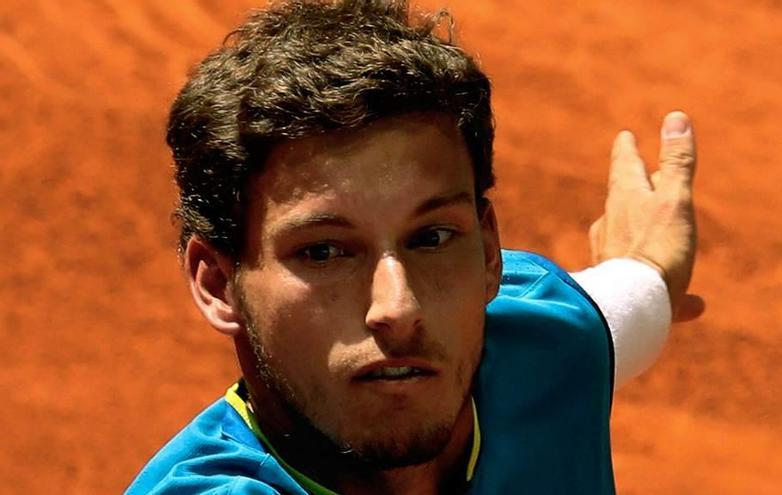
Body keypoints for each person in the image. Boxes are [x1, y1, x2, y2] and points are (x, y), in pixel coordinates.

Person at [126, 1, 702, 493]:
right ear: (218, 283)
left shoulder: (550, 342)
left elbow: (619, 309)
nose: (399, 310)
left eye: (431, 238)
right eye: (324, 253)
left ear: (489, 252)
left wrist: (646, 274)